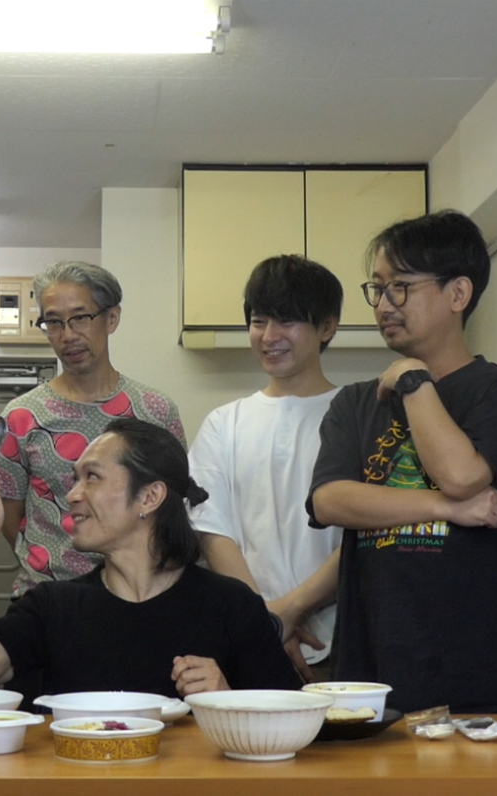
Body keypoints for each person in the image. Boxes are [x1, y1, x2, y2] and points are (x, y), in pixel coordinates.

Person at [308, 211, 497, 714]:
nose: (384, 305)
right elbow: (330, 500)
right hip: (371, 678)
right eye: (377, 289)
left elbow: (461, 475)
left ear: (458, 293)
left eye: (400, 287)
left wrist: (413, 379)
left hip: (483, 680)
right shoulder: (355, 402)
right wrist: (447, 509)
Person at [0, 418, 300, 696]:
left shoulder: (231, 606)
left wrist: (227, 699)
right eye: (75, 479)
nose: (73, 495)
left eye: (92, 477)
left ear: (149, 497)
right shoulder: (53, 607)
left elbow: (291, 722)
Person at [189, 255, 345, 683]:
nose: (269, 336)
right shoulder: (224, 423)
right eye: (259, 321)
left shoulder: (356, 415)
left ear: (327, 326)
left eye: (287, 321)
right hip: (249, 641)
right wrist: (266, 621)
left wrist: (291, 611)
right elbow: (212, 531)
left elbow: (367, 535)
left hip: (341, 641)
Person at [0, 261, 185, 597]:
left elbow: (173, 505)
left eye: (80, 317)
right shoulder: (21, 417)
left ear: (111, 319)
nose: (68, 335)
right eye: (54, 322)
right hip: (48, 595)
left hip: (141, 594)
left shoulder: (154, 411)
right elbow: (10, 515)